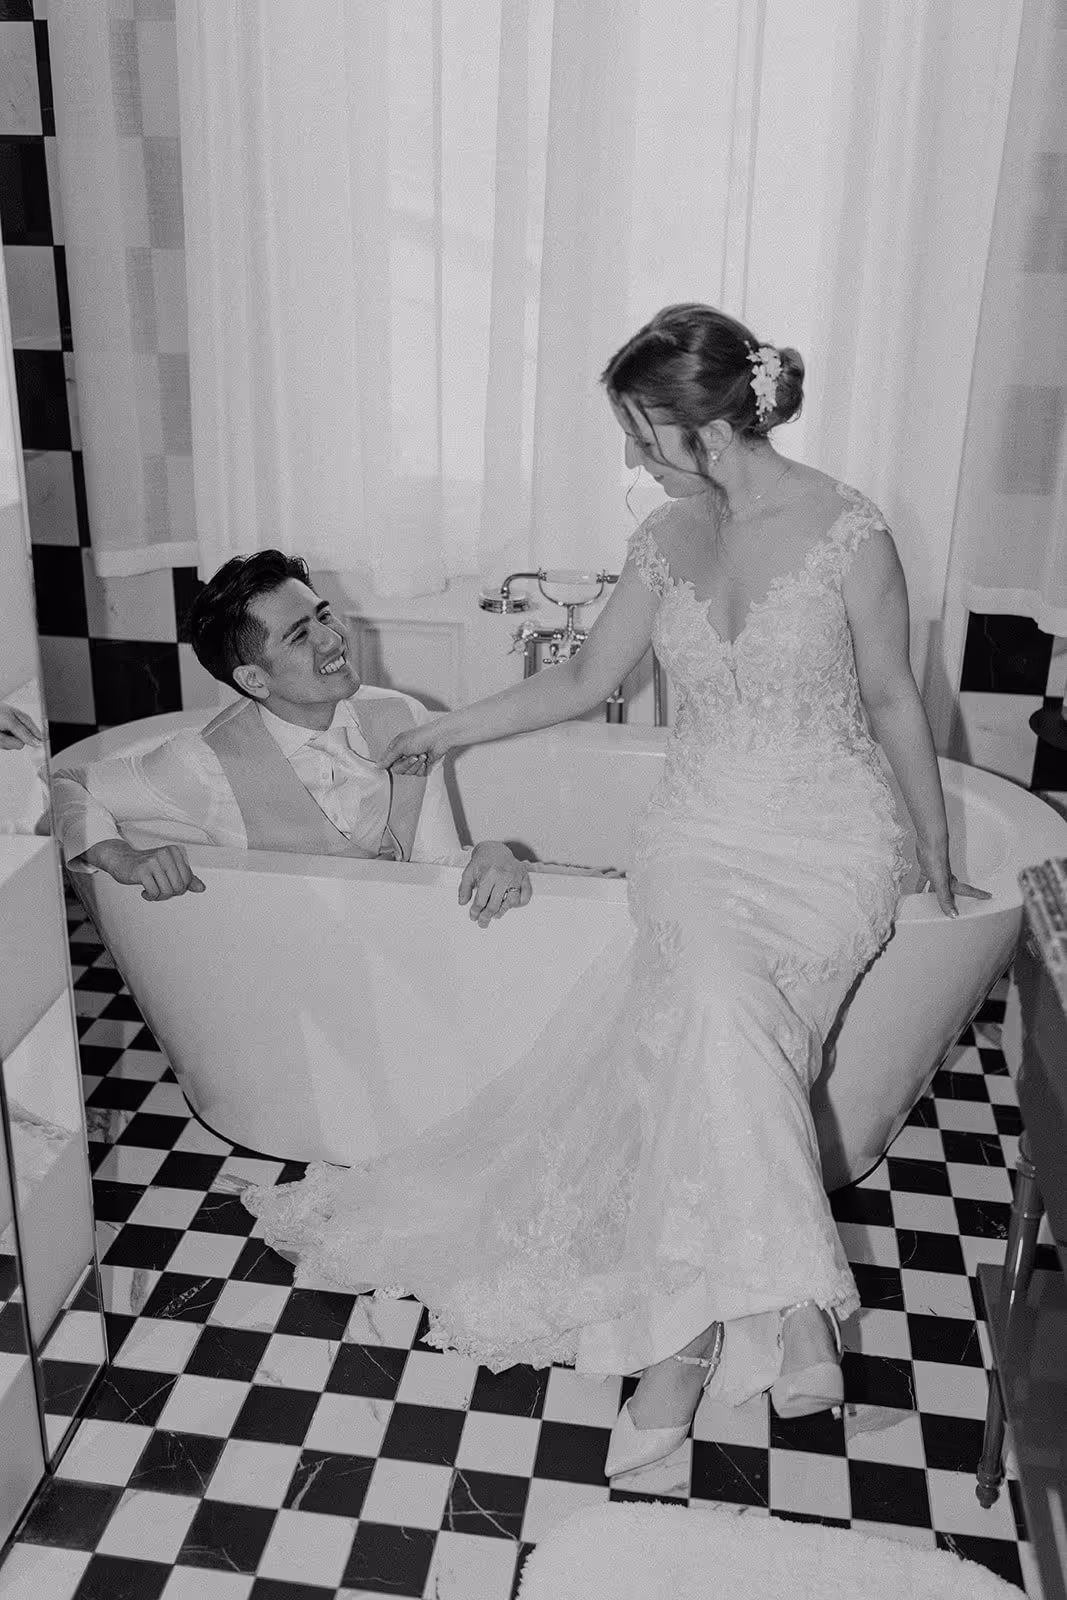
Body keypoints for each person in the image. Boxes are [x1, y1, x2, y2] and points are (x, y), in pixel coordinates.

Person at [243, 305, 986, 1479]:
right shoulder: (659, 540)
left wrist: (931, 844)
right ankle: (780, 1305)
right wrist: (442, 730)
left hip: (829, 840)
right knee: (720, 1018)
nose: (631, 456)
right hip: (696, 832)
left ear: (707, 426)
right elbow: (585, 678)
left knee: (708, 1033)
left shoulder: (847, 530)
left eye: (642, 433)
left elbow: (892, 696)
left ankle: (690, 1343)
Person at [52, 551, 531, 928]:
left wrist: (489, 854)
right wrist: (119, 856)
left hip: (398, 942)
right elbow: (62, 783)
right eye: (300, 636)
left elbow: (434, 863)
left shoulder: (402, 716)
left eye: (324, 616)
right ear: (253, 679)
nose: (332, 639)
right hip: (285, 964)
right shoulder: (201, 762)